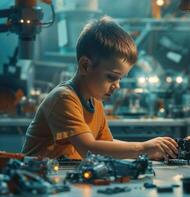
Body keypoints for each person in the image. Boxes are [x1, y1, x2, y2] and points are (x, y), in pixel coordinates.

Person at [21, 16, 178, 160]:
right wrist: (143, 147)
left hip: (64, 176)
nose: (117, 86)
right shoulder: (64, 98)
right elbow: (89, 148)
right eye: (111, 77)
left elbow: (106, 144)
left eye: (120, 79)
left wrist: (148, 152)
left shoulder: (95, 101)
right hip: (37, 179)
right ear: (85, 65)